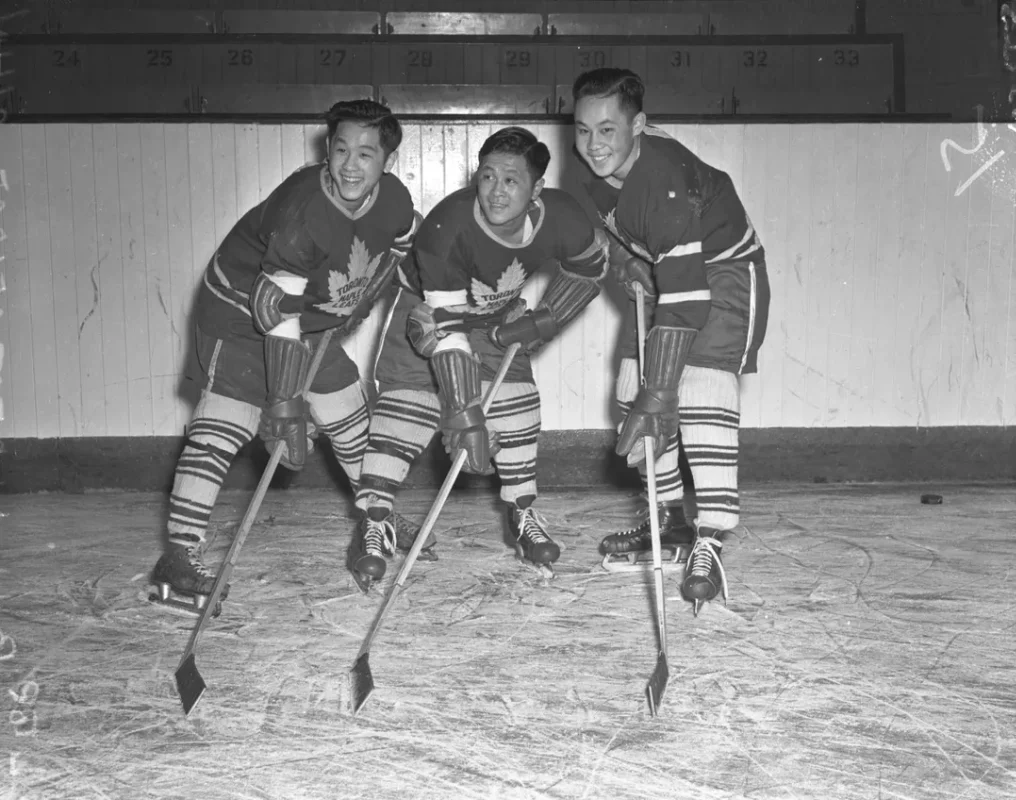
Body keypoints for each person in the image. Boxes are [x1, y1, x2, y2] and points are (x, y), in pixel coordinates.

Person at [149, 99, 420, 613]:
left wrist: (357, 304)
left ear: (387, 158)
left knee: (349, 415)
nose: (350, 164)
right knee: (227, 424)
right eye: (340, 149)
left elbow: (398, 250)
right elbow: (274, 312)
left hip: (305, 320)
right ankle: (180, 554)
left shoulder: (396, 202)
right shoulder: (303, 210)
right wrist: (285, 402)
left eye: (366, 153)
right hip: (239, 313)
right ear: (328, 149)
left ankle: (376, 513)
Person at [350, 126, 608, 585]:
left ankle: (523, 514)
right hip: (429, 317)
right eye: (487, 177)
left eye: (511, 180)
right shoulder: (448, 227)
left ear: (536, 189)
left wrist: (545, 319)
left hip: (494, 316)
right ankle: (373, 524)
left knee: (519, 408)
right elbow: (445, 330)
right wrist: (466, 413)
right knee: (406, 415)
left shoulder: (562, 217)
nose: (496, 190)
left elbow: (590, 269)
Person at [571, 68, 771, 614]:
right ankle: (668, 520)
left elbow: (687, 303)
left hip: (725, 275)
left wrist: (663, 392)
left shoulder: (660, 178)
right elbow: (616, 235)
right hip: (672, 272)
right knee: (633, 387)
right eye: (583, 130)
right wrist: (625, 259)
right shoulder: (595, 167)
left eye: (608, 130)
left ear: (639, 125)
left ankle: (710, 538)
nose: (594, 144)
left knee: (699, 392)